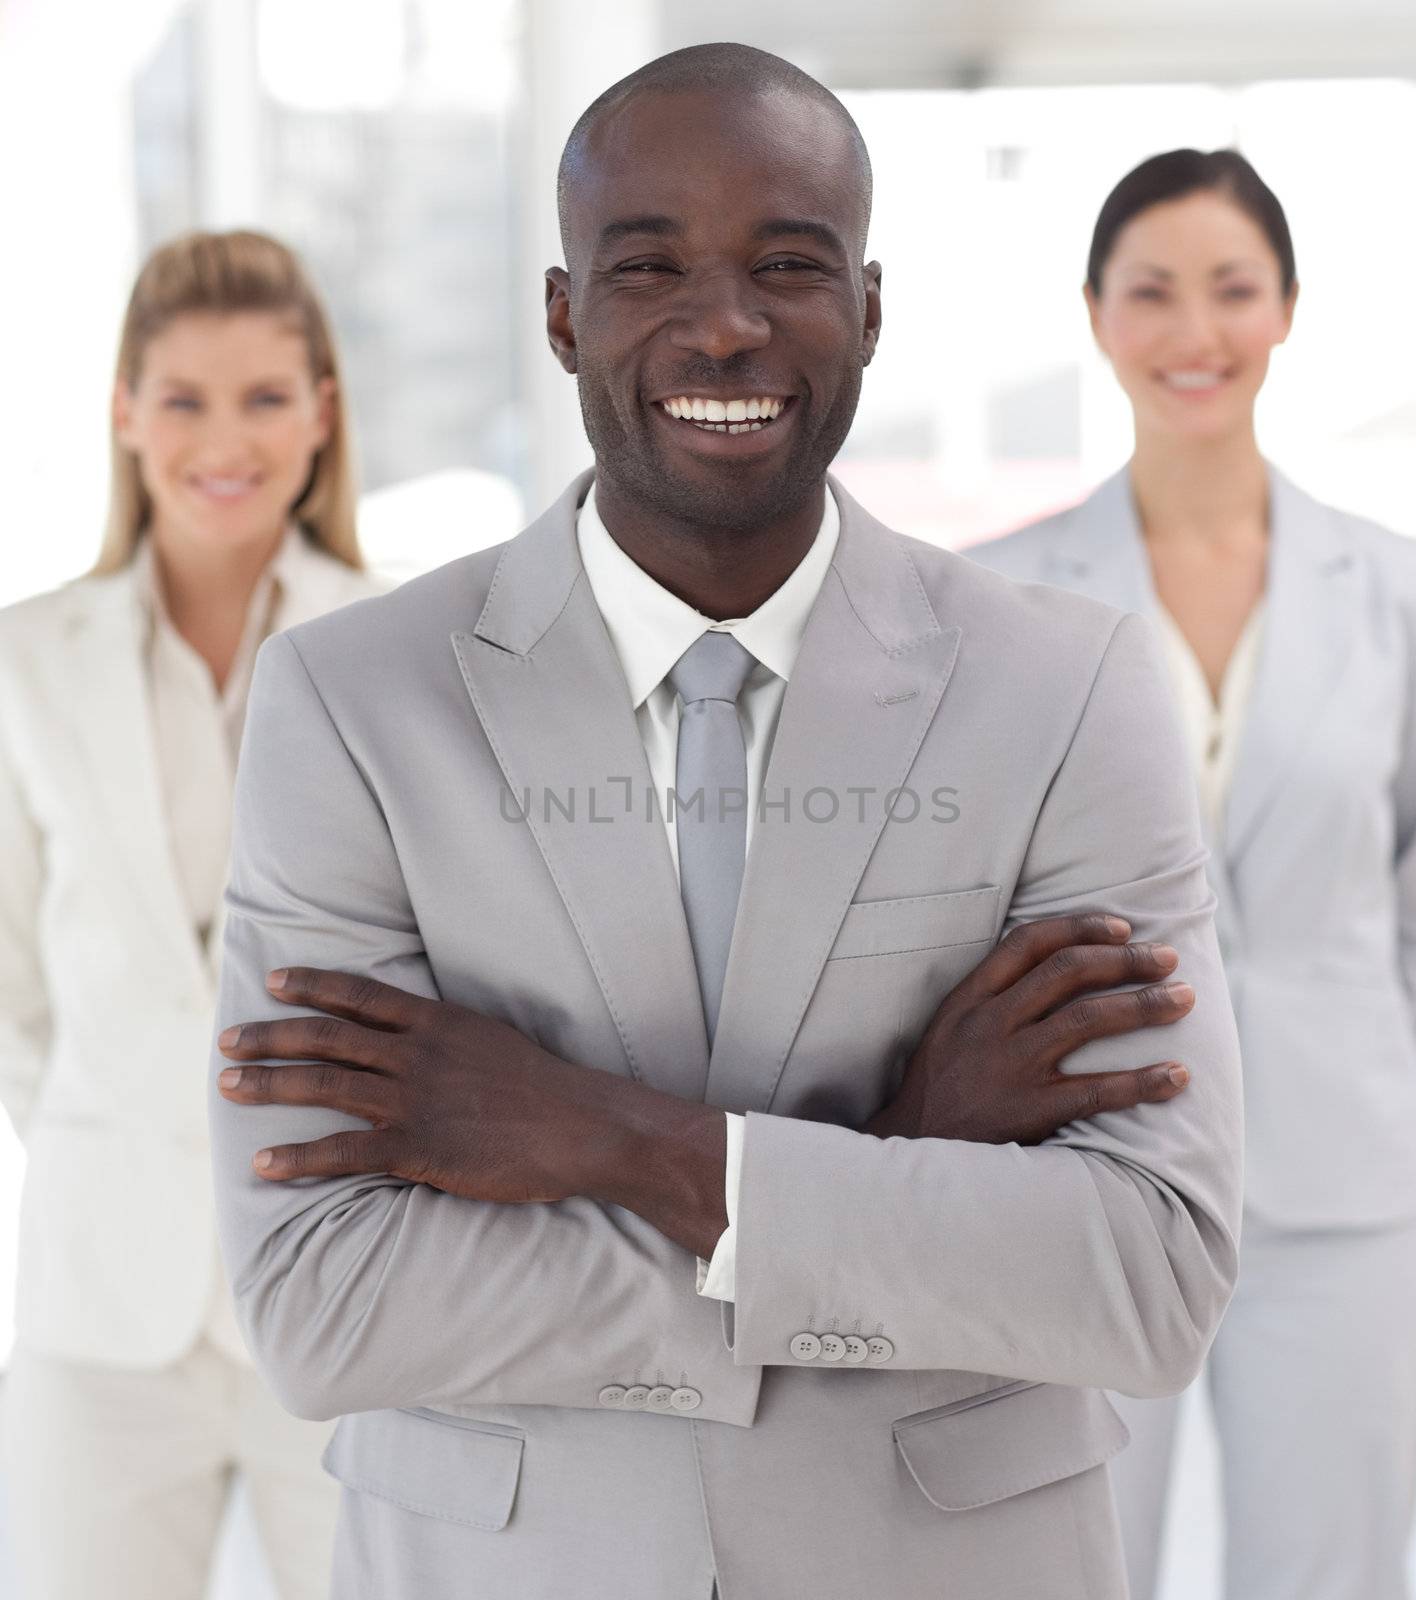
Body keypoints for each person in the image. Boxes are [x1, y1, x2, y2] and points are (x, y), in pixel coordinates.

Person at [208, 47, 1242, 1600]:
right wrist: (884, 1165)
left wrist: (615, 1142)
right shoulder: (352, 705)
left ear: (871, 311)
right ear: (563, 315)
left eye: (787, 264)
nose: (727, 324)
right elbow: (325, 1302)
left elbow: (1149, 1275)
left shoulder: (1072, 685)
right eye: (649, 266)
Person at [973, 149, 1416, 1600]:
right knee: (1070, 1560)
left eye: (1234, 290)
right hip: (1094, 1180)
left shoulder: (1408, 592)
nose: (1197, 334)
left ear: (1287, 311)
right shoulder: (1009, 600)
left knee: (1335, 1572)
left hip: (1346, 1188)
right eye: (1155, 293)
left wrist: (1351, 1050)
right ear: (1098, 316)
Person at [0, 229, 388, 1599]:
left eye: (266, 397)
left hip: (342, 1286)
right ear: (122, 412)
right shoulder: (25, 661)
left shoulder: (397, 655)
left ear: (323, 414)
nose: (224, 439)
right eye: (183, 398)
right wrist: (115, 1129)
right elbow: (14, 996)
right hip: (100, 1305)